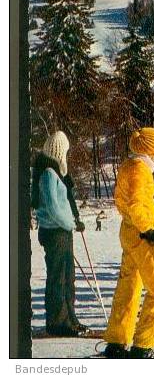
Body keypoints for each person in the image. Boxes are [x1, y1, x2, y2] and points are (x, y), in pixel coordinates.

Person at [103, 127, 154, 359]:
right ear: (150, 149)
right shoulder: (139, 170)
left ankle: (116, 340)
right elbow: (137, 203)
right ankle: (143, 345)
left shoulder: (128, 165)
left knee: (129, 287)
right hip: (142, 236)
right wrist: (149, 229)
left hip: (130, 233)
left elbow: (128, 201)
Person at [31, 131, 88, 337]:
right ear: (58, 151)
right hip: (55, 232)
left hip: (62, 231)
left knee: (67, 276)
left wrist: (72, 222)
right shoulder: (48, 173)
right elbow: (52, 207)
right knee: (58, 278)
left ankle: (69, 318)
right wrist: (70, 223)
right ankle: (57, 322)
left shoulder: (56, 173)